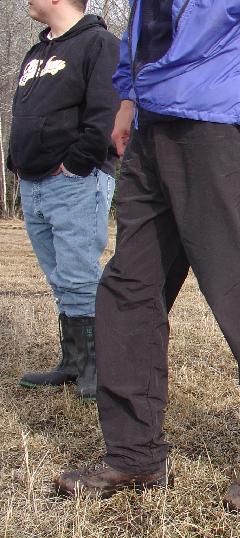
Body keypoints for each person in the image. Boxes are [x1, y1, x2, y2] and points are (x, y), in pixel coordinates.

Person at [55, 0, 240, 511]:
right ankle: (135, 453)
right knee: (128, 290)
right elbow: (144, 27)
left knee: (237, 295)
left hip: (220, 128)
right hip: (151, 131)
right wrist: (128, 99)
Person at [7, 0, 120, 400]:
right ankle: (72, 361)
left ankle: (96, 368)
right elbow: (23, 112)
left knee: (79, 275)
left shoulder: (99, 44)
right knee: (59, 278)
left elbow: (105, 113)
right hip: (33, 181)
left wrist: (75, 164)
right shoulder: (37, 51)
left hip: (76, 181)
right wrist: (15, 161)